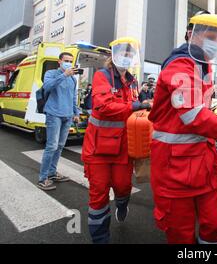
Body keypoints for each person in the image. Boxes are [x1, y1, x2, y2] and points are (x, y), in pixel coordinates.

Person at [149, 13, 217, 244]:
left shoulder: (201, 65)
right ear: (191, 35)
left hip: (203, 164)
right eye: (210, 36)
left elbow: (199, 110)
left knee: (215, 225)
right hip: (174, 169)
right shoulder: (180, 65)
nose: (215, 43)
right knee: (181, 234)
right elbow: (193, 115)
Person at [81, 37, 151, 244]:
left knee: (122, 186)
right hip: (98, 148)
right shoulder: (102, 76)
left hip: (123, 147)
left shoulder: (133, 81)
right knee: (98, 193)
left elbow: (135, 111)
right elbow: (103, 107)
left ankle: (122, 203)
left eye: (131, 54)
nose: (127, 57)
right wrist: (136, 107)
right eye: (124, 53)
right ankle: (100, 238)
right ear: (113, 54)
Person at [37, 52, 80, 191]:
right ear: (59, 61)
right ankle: (43, 178)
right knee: (52, 146)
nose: (68, 63)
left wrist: (76, 112)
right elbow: (47, 87)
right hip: (53, 114)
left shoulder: (73, 79)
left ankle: (52, 172)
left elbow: (73, 97)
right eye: (66, 60)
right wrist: (64, 75)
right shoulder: (51, 73)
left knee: (60, 146)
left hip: (67, 116)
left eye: (70, 61)